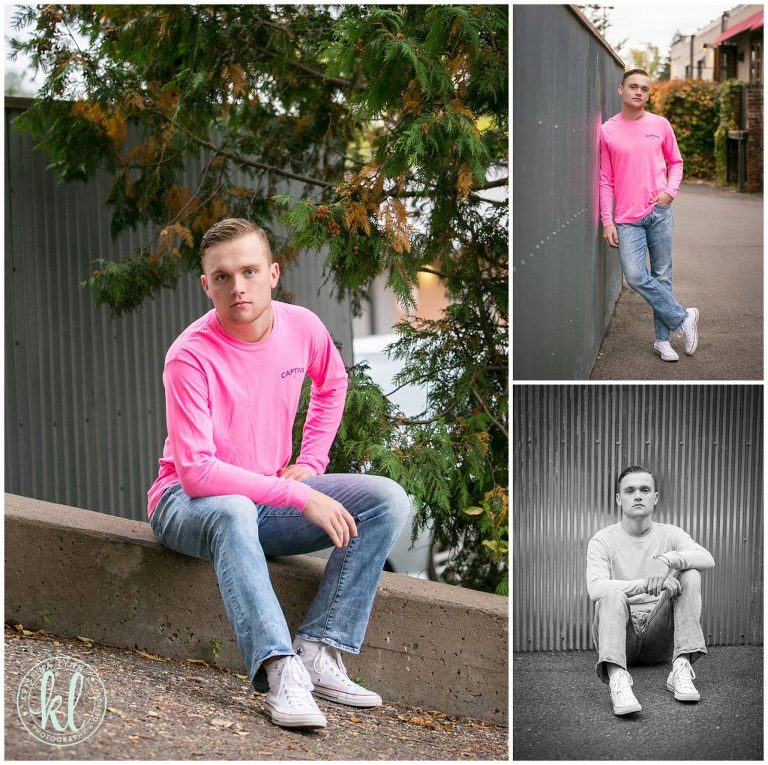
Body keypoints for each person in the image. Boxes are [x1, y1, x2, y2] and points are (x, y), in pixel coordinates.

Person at [146, 218, 410, 730]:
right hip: (185, 503)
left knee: (386, 499)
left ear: (272, 273)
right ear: (207, 285)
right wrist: (298, 496)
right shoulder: (190, 356)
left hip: (261, 498)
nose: (237, 286)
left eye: (248, 271)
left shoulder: (303, 327)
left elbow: (333, 384)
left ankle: (318, 648)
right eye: (222, 277)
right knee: (234, 508)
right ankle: (280, 668)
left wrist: (310, 466)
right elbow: (198, 474)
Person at [586, 465, 715, 716]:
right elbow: (595, 588)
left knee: (690, 572)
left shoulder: (670, 534)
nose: (637, 495)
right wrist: (646, 583)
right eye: (630, 490)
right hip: (621, 639)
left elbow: (707, 558)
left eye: (645, 490)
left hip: (659, 638)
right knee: (610, 595)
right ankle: (617, 680)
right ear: (618, 498)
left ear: (655, 498)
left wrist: (668, 560)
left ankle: (680, 667)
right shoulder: (603, 539)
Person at [599, 68, 700, 363]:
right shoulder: (608, 130)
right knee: (634, 275)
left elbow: (676, 162)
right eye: (633, 86)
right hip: (627, 218)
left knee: (662, 275)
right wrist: (607, 220)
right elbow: (606, 179)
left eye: (644, 88)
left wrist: (670, 192)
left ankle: (662, 341)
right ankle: (683, 317)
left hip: (659, 211)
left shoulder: (660, 124)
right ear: (621, 90)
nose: (639, 92)